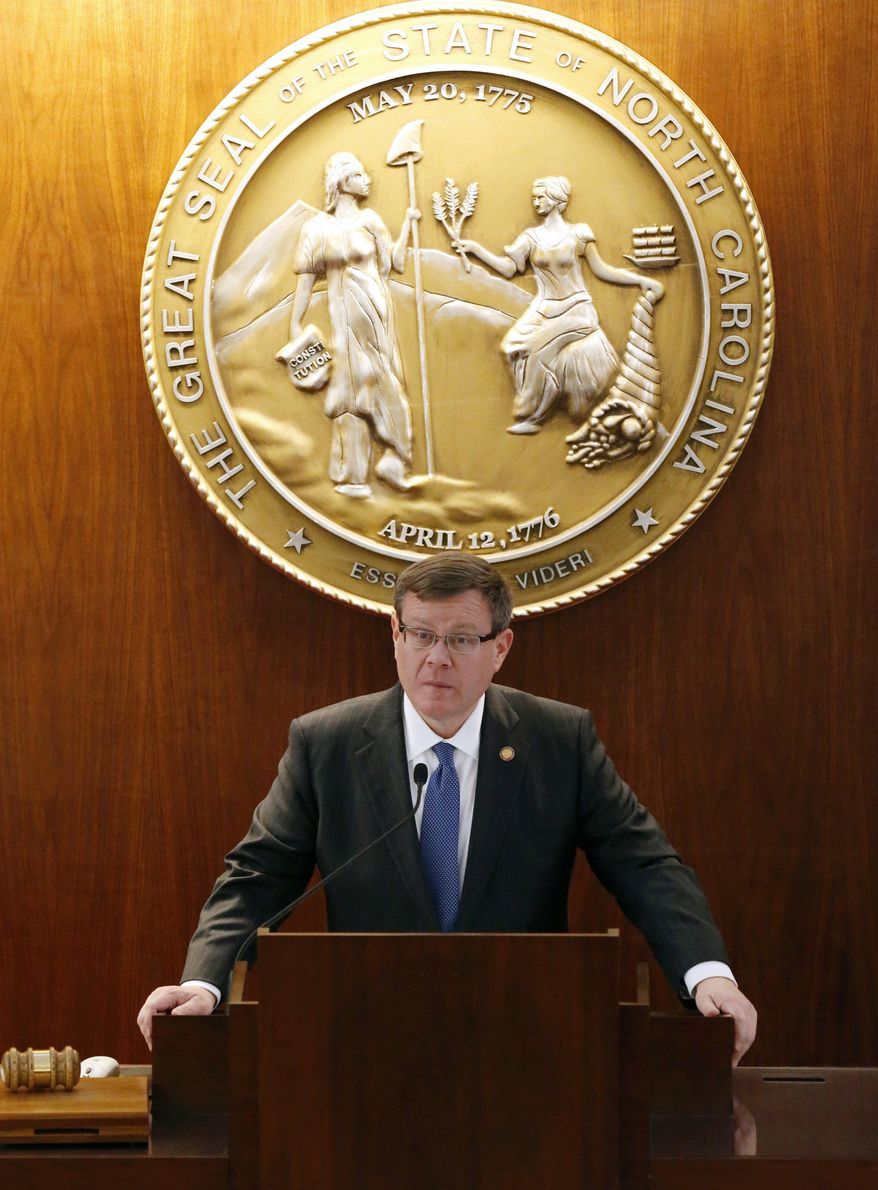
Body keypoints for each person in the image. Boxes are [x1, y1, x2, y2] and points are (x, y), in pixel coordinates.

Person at [138, 554, 756, 1064]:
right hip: (365, 1044)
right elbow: (257, 876)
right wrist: (204, 983)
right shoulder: (325, 744)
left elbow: (645, 865)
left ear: (501, 647)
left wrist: (707, 974)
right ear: (395, 636)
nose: (437, 657)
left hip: (525, 1042)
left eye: (461, 639)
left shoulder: (559, 741)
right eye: (421, 635)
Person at [454, 176, 663, 434]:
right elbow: (508, 269)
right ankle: (537, 402)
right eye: (534, 197)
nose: (535, 202)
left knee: (537, 351)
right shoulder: (530, 237)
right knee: (510, 348)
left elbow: (602, 270)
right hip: (543, 308)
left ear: (556, 200)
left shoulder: (578, 234)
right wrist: (475, 250)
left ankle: (533, 416)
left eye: (541, 197)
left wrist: (640, 281)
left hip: (577, 309)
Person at [276, 151, 420, 498]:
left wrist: (408, 225)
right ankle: (351, 475)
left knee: (380, 378)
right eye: (359, 175)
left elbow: (393, 264)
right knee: (348, 389)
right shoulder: (316, 229)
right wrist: (295, 324)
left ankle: (396, 457)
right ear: (342, 182)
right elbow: (306, 282)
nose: (367, 180)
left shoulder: (370, 220)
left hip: (374, 313)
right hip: (342, 319)